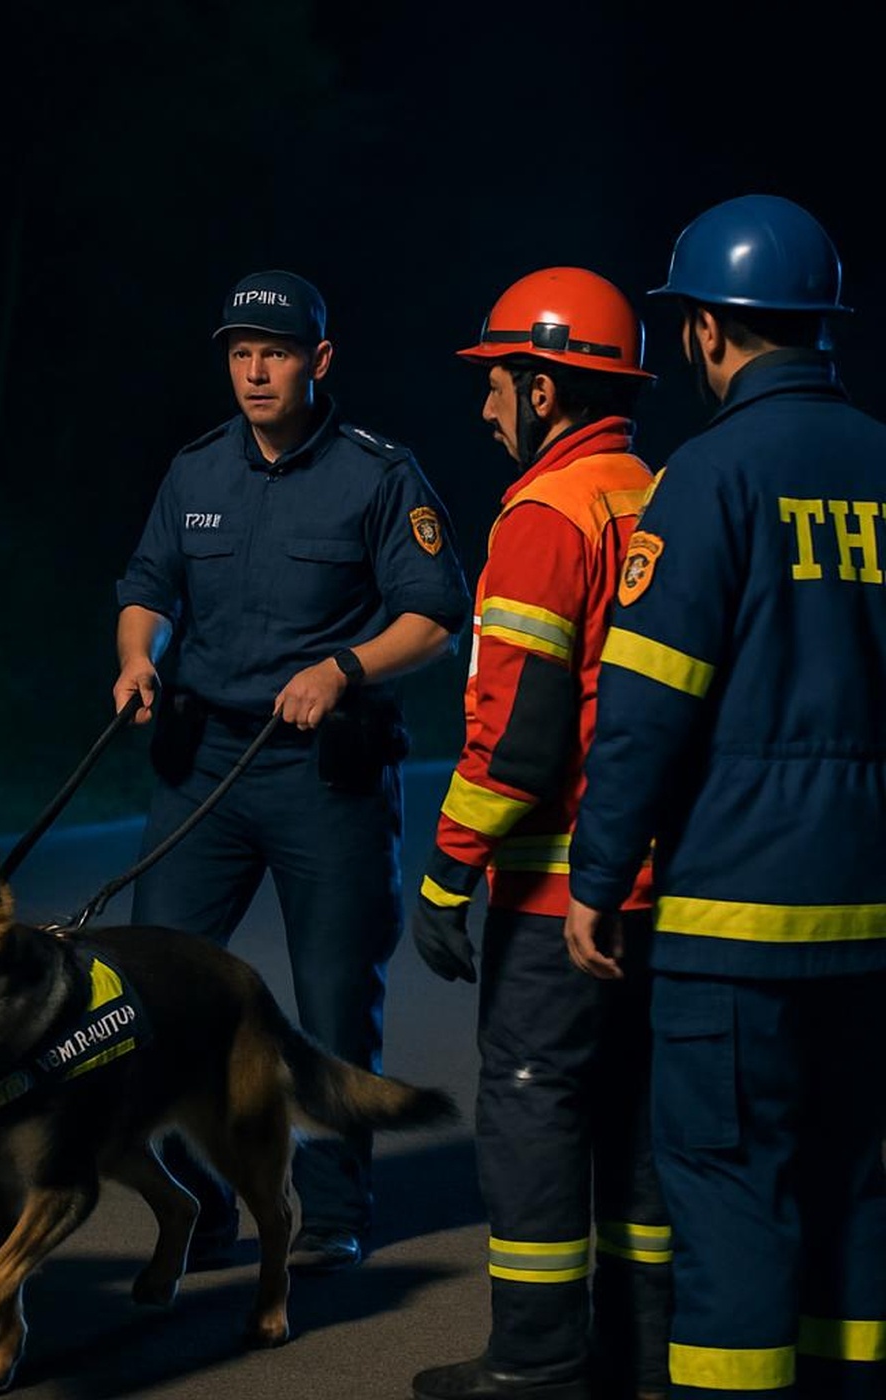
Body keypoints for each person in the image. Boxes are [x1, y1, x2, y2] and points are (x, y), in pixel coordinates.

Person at [565, 193, 886, 1400]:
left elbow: (645, 706)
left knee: (729, 1187)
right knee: (852, 1180)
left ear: (703, 330)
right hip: (869, 916)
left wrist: (597, 878)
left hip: (731, 921)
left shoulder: (702, 477)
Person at [113, 268, 470, 1272]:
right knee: (161, 986)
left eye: (272, 352)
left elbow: (435, 613)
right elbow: (146, 583)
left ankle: (334, 1214)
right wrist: (136, 653)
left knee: (329, 997)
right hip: (205, 764)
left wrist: (342, 666)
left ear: (317, 360)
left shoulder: (377, 473)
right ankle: (204, 1203)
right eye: (238, 352)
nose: (253, 369)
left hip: (326, 772)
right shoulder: (194, 471)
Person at [409, 269, 671, 1400]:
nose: (483, 409)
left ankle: (533, 1358)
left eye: (496, 383)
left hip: (552, 886)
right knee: (635, 1119)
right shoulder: (651, 494)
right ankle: (642, 1354)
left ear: (545, 386)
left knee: (529, 1104)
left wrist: (442, 875)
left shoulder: (543, 515)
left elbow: (513, 740)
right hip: (655, 881)